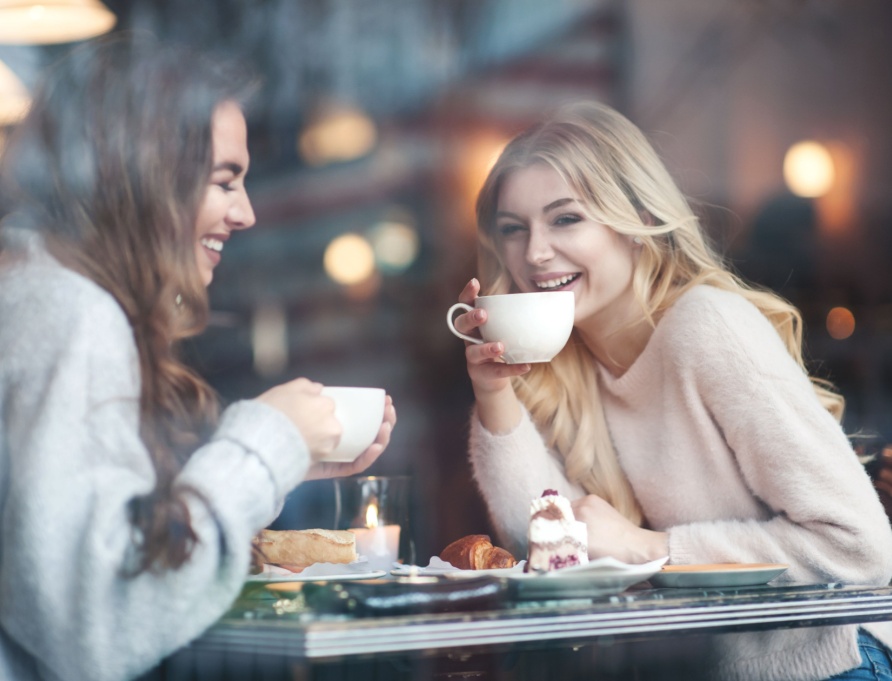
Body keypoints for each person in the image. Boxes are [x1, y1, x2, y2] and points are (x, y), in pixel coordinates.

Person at [0, 34, 396, 681]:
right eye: (225, 181)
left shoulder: (35, 291)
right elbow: (105, 620)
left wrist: (279, 468)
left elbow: (74, 540)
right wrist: (263, 446)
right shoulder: (71, 313)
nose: (246, 212)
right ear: (147, 175)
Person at [451, 101, 892, 680]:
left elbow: (862, 548)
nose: (534, 253)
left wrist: (646, 546)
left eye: (566, 219)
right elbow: (552, 545)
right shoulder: (570, 362)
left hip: (832, 664)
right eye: (514, 229)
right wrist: (495, 396)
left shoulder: (708, 326)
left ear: (634, 221)